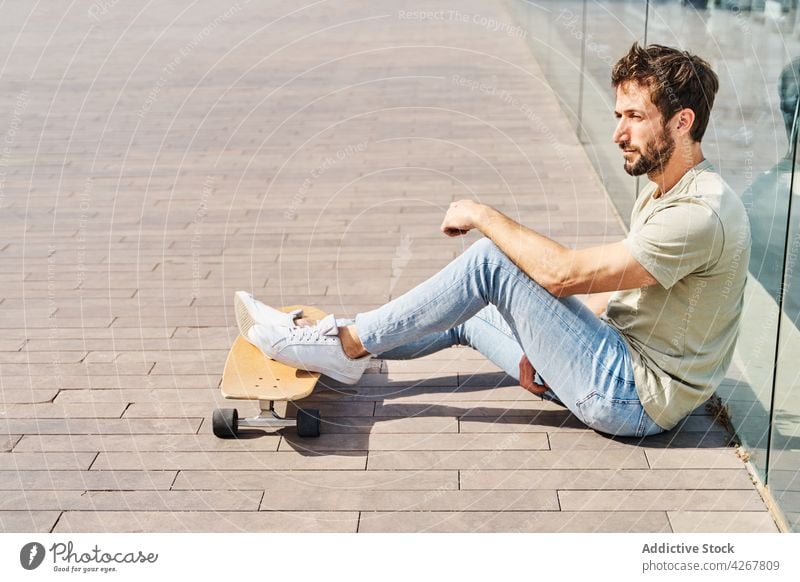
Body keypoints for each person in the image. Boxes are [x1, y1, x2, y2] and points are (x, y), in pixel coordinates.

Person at [235, 43, 751, 437]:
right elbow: (617, 287)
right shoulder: (668, 187)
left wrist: (480, 213)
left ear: (683, 122)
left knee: (491, 262)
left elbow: (564, 275)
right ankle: (341, 344)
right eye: (619, 115)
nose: (618, 133)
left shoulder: (699, 215)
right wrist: (555, 346)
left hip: (630, 397)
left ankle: (342, 344)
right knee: (470, 311)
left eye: (634, 117)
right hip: (613, 361)